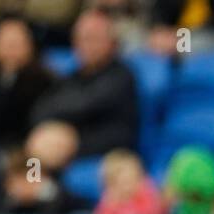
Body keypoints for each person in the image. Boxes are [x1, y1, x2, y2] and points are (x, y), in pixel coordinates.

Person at [28, 9, 139, 166]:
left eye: (93, 38)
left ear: (112, 42)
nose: (86, 45)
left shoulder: (121, 76)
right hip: (61, 148)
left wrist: (70, 138)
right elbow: (40, 111)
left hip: (104, 151)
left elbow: (89, 105)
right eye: (81, 39)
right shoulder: (73, 76)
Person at [0, 17, 55, 156]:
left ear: (29, 46)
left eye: (16, 43)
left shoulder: (44, 80)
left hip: (24, 149)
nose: (10, 49)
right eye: (5, 43)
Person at [92, 148, 166, 214]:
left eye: (133, 180)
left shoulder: (146, 195)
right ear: (110, 184)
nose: (129, 187)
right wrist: (111, 204)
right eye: (124, 183)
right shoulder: (109, 201)